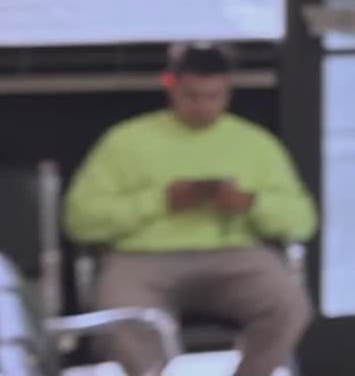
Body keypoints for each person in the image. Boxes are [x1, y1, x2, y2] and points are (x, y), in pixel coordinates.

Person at [63, 42, 317, 376]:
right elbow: (79, 221)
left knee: (289, 305)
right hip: (142, 258)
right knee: (124, 318)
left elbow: (303, 221)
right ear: (171, 87)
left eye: (213, 96)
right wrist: (159, 202)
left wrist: (250, 205)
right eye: (192, 96)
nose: (202, 106)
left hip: (236, 256)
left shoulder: (256, 143)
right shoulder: (125, 141)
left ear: (228, 91)